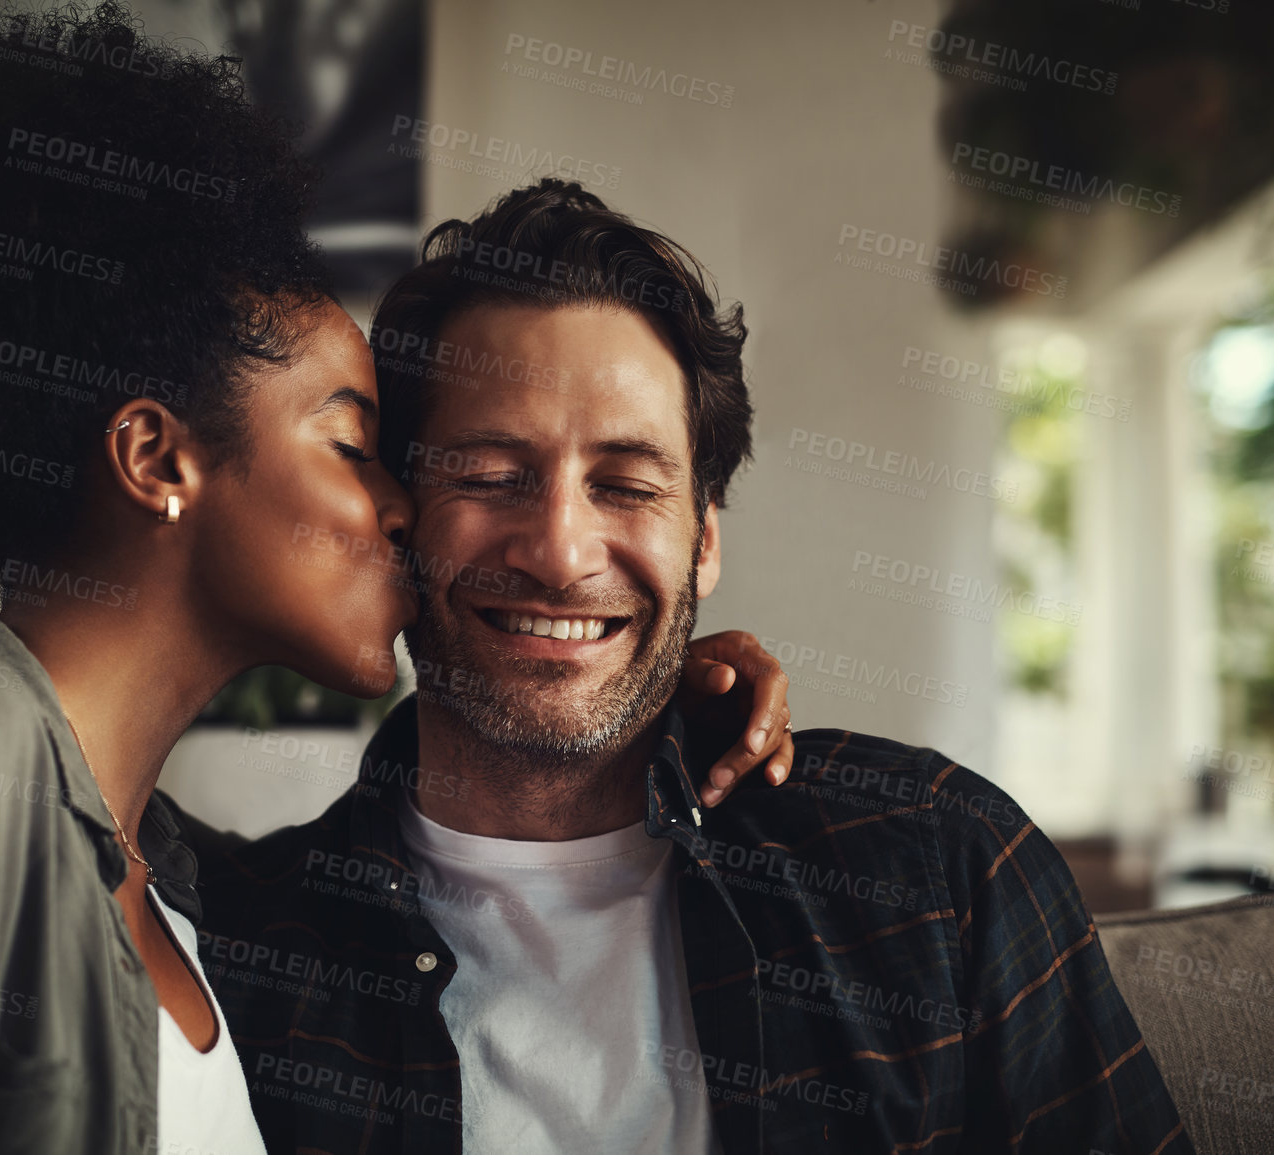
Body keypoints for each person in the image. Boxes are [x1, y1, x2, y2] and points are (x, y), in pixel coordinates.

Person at [0, 10, 794, 1154]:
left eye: (627, 491)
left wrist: (627, 679)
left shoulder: (178, 884)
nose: (396, 507)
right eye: (349, 444)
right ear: (160, 459)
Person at [188, 180, 1195, 1154]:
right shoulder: (239, 945)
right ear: (400, 517)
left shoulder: (941, 867)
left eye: (626, 486)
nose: (562, 553)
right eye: (492, 477)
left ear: (704, 542)